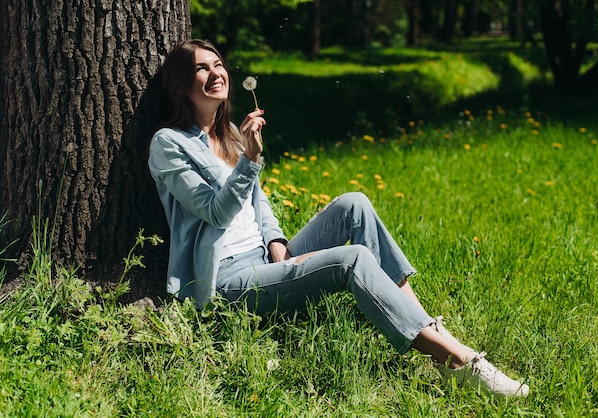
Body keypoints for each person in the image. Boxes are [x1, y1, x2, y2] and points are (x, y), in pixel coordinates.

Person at [148, 39, 530, 398]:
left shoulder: (229, 132)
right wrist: (249, 160)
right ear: (182, 85)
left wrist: (277, 242)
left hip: (264, 259)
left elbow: (258, 204)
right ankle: (456, 360)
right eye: (202, 69)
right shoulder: (169, 144)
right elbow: (216, 213)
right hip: (229, 280)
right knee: (353, 260)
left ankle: (426, 325)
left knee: (354, 203)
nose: (216, 73)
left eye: (218, 64)